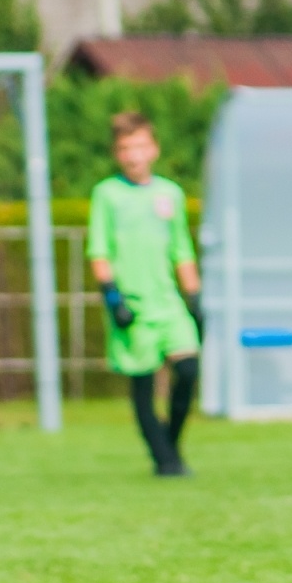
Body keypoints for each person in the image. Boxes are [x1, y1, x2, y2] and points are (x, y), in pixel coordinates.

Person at [87, 111, 201, 477]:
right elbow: (99, 250)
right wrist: (112, 296)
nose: (133, 156)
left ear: (153, 149)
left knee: (188, 369)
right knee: (144, 384)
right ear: (117, 153)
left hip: (167, 302)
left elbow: (181, 248)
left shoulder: (171, 194)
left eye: (139, 147)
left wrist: (194, 295)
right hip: (132, 304)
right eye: (125, 149)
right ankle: (166, 460)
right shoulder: (107, 194)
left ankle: (168, 444)